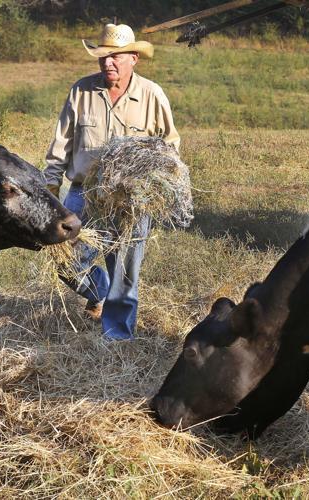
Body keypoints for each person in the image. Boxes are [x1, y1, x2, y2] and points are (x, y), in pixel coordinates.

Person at [44, 23, 180, 341]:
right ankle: (101, 293)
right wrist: (50, 185)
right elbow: (61, 144)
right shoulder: (81, 91)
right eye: (103, 56)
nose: (108, 62)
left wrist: (155, 180)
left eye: (116, 57)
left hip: (132, 198)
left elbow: (170, 145)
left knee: (125, 269)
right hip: (84, 192)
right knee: (63, 258)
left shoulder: (152, 95)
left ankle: (117, 335)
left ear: (134, 58)